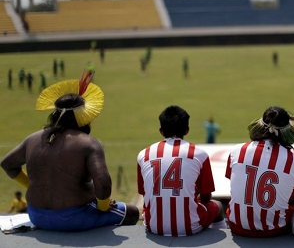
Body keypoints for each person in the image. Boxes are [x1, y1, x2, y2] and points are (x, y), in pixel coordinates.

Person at [1, 68, 139, 232]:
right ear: (83, 115)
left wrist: (31, 184)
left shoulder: (33, 138)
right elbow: (103, 185)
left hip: (37, 215)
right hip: (74, 218)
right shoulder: (89, 143)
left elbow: (7, 164)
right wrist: (103, 207)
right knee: (133, 212)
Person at [137, 105, 225, 236]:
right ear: (187, 130)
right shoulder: (199, 154)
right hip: (191, 227)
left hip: (153, 226)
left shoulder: (144, 154)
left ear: (161, 131)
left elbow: (145, 194)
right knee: (218, 206)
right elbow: (206, 197)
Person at [225, 106, 294, 237]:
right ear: (287, 130)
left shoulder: (237, 150)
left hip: (237, 226)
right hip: (275, 229)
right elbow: (293, 199)